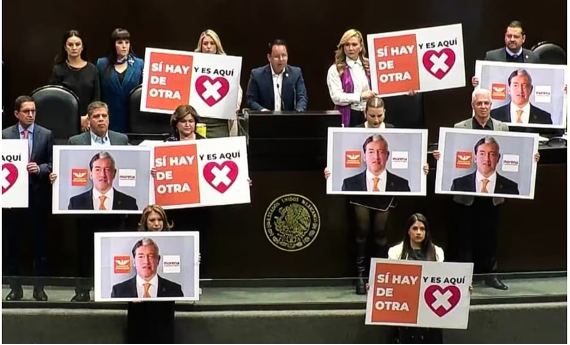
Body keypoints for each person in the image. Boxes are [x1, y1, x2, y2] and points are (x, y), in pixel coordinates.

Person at [433, 88, 540, 290]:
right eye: (479, 103)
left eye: (487, 103)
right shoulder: (460, 127)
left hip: (493, 195)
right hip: (466, 195)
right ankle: (465, 279)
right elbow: (451, 157)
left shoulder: (502, 128)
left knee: (490, 237)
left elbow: (512, 154)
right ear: (473, 105)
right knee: (464, 238)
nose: (483, 107)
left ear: (491, 105)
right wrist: (441, 155)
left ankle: (491, 275)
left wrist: (531, 159)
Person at [51, 101, 131, 302]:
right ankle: (82, 291)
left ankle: (113, 289)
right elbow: (67, 167)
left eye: (104, 116)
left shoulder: (121, 139)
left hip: (115, 207)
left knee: (115, 250)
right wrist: (56, 175)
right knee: (84, 249)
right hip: (87, 206)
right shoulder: (76, 141)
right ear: (89, 120)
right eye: (97, 116)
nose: (102, 119)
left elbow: (134, 164)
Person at [2, 96, 55, 301]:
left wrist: (40, 168)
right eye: (26, 111)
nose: (31, 114)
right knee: (13, 245)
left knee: (39, 245)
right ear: (17, 114)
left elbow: (53, 163)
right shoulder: (5, 136)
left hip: (38, 197)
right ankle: (15, 288)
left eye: (33, 111)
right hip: (13, 199)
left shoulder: (46, 134)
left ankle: (39, 288)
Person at [387, 213, 445, 344]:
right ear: (408, 230)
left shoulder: (437, 252)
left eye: (422, 229)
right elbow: (389, 279)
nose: (419, 232)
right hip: (406, 307)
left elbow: (443, 280)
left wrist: (465, 289)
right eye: (415, 228)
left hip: (430, 306)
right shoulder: (395, 252)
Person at [127, 205, 176, 344]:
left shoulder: (177, 242)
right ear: (145, 222)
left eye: (160, 220)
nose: (156, 224)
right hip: (139, 307)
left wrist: (195, 261)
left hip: (163, 308)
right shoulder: (133, 241)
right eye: (152, 220)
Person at [194, 29, 242, 138]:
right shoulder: (193, 63)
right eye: (205, 43)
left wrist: (235, 104)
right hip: (199, 121)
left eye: (212, 43)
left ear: (217, 46)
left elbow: (237, 89)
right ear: (201, 46)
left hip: (221, 122)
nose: (209, 47)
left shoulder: (228, 64)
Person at [50, 30, 100, 132]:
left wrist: (88, 117)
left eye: (77, 44)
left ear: (82, 47)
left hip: (89, 121)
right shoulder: (58, 69)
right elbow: (56, 99)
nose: (74, 48)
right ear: (65, 47)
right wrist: (77, 119)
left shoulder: (92, 69)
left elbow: (96, 97)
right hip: (65, 120)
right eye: (70, 45)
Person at [96, 28, 144, 133]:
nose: (124, 46)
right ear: (113, 44)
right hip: (109, 119)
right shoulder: (101, 64)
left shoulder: (139, 64)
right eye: (120, 42)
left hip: (133, 120)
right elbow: (97, 93)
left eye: (127, 42)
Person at [327, 29, 376, 127]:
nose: (350, 48)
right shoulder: (335, 69)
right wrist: (360, 96)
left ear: (361, 47)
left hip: (369, 115)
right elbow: (336, 97)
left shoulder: (371, 65)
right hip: (348, 115)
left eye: (354, 44)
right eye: (347, 44)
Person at [246, 39, 308, 112]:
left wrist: (299, 110)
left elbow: (302, 97)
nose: (281, 59)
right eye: (277, 56)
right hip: (265, 120)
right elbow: (251, 100)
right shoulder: (257, 75)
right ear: (269, 57)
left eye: (284, 55)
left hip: (290, 120)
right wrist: (262, 110)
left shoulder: (296, 73)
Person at [471, 21, 539, 87]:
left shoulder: (533, 58)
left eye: (516, 36)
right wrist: (477, 81)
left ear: (523, 39)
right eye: (509, 36)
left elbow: (538, 81)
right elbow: (484, 80)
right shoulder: (492, 57)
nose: (512, 39)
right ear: (505, 37)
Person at [111, 237, 183, 298]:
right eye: (141, 256)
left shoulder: (174, 290)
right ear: (134, 261)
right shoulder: (118, 291)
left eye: (151, 256)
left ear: (158, 260)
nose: (146, 261)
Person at [68, 151, 139, 210]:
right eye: (97, 170)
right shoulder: (75, 203)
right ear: (91, 174)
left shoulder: (129, 203)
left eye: (107, 170)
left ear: (114, 173)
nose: (102, 174)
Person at [342, 134, 411, 192]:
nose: (376, 157)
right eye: (371, 152)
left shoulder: (402, 184)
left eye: (380, 152)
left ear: (387, 155)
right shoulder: (349, 184)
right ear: (364, 156)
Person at [451, 136, 519, 194]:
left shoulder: (511, 187)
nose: (486, 159)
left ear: (498, 158)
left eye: (491, 154)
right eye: (482, 154)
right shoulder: (458, 184)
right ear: (475, 158)